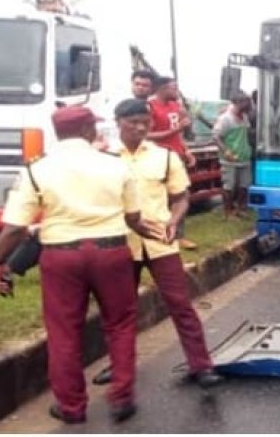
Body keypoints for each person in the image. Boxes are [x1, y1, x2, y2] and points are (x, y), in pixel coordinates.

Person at [0, 106, 160, 424]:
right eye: (93, 126)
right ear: (85, 130)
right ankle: (122, 398)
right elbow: (133, 216)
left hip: (61, 256)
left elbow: (14, 228)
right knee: (120, 324)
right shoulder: (115, 165)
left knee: (64, 331)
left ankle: (72, 407)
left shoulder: (36, 169)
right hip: (111, 252)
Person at [91, 99, 222, 389]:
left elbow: (180, 197)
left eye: (145, 122)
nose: (140, 127)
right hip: (119, 243)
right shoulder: (103, 157)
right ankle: (119, 364)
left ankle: (201, 365)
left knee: (180, 304)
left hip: (161, 241)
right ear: (117, 122)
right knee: (118, 310)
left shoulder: (165, 157)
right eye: (132, 122)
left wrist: (175, 220)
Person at [148, 76, 197, 249]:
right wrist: (177, 128)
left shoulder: (175, 106)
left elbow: (179, 135)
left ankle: (178, 235)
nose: (176, 91)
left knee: (182, 196)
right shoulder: (151, 107)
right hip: (159, 158)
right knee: (163, 199)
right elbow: (147, 135)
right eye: (173, 88)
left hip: (177, 157)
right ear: (161, 89)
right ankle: (161, 233)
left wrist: (187, 151)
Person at [213, 91, 253, 218]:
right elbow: (216, 137)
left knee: (244, 186)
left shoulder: (244, 116)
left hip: (244, 157)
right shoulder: (226, 119)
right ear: (237, 103)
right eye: (245, 103)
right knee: (229, 187)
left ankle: (241, 209)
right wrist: (226, 151)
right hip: (229, 159)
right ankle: (228, 212)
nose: (248, 105)